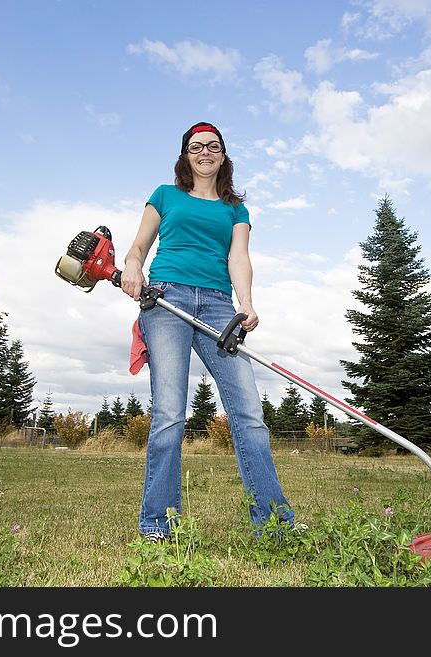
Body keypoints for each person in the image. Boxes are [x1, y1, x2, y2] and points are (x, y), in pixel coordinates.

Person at [121, 121, 295, 542]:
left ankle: (273, 525)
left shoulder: (235, 208)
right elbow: (139, 246)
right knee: (168, 415)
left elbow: (239, 257)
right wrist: (131, 266)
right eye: (196, 146)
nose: (204, 152)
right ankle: (158, 526)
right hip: (166, 300)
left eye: (212, 146)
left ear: (223, 155)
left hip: (218, 306)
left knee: (250, 415)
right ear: (185, 155)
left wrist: (247, 302)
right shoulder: (165, 195)